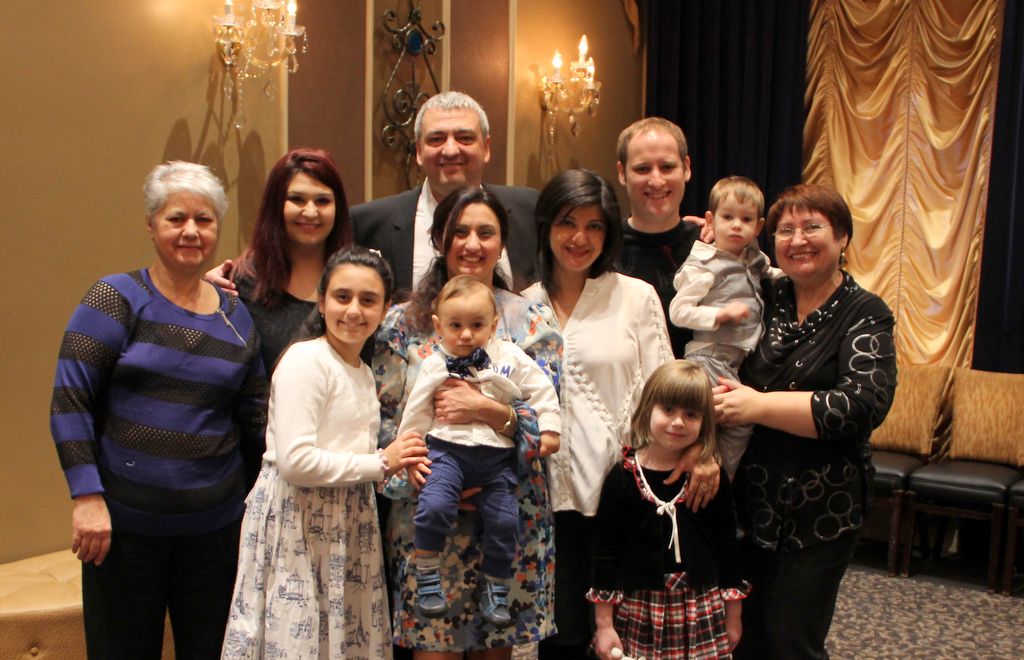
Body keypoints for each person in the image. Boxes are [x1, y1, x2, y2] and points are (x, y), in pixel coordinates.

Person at [49, 161, 267, 658]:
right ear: (151, 226)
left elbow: (256, 420)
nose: (191, 230)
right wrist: (86, 496)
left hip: (216, 537)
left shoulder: (236, 318)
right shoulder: (115, 299)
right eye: (176, 218)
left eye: (204, 219)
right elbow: (69, 401)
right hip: (123, 533)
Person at [373, 186, 562, 658]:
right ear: (439, 239)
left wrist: (487, 410)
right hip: (431, 517)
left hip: (509, 505)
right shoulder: (402, 323)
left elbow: (547, 419)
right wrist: (417, 476)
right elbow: (386, 423)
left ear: (502, 243)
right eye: (459, 231)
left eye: (486, 232)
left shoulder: (532, 321)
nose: (472, 243)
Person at [714, 184, 897, 659]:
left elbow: (860, 405)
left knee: (792, 641)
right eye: (785, 230)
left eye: (813, 227)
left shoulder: (865, 312)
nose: (798, 240)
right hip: (748, 501)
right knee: (742, 639)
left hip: (821, 510)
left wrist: (757, 406)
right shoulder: (766, 293)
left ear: (842, 237)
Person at [222, 247, 429, 659]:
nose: (353, 310)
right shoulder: (307, 360)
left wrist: (397, 463)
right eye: (342, 297)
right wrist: (382, 461)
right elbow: (296, 462)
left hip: (346, 522)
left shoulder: (362, 372)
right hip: (299, 521)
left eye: (368, 300)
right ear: (321, 301)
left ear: (385, 309)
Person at [520, 169, 676, 658]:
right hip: (544, 498)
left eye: (594, 226)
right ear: (546, 225)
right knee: (559, 635)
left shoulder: (635, 296)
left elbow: (666, 388)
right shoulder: (521, 307)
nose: (579, 238)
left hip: (621, 494)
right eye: (567, 222)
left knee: (622, 636)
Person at [399, 275, 561, 627]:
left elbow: (542, 390)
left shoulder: (509, 355)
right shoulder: (434, 364)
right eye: (455, 325)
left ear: (494, 323)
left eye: (476, 325)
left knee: (505, 520)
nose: (466, 335)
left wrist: (549, 428)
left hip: (496, 457)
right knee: (434, 506)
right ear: (439, 326)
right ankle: (427, 574)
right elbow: (416, 413)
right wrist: (409, 457)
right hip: (446, 451)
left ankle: (496, 586)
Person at [589, 360, 748, 660]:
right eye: (668, 410)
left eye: (691, 414)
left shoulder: (710, 478)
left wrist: (733, 616)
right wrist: (604, 624)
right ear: (648, 409)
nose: (678, 422)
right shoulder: (623, 478)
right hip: (641, 608)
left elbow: (727, 546)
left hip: (701, 605)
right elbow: (606, 554)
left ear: (705, 422)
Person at [352, 91, 539, 294]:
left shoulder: (530, 210)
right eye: (436, 139)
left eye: (464, 138)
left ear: (486, 148)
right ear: (418, 151)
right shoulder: (368, 224)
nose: (450, 150)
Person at [669, 176, 781, 479]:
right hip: (708, 357)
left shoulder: (753, 258)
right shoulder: (704, 264)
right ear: (711, 220)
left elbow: (771, 273)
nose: (736, 226)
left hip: (733, 362)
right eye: (727, 217)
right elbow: (678, 311)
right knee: (711, 423)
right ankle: (712, 480)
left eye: (745, 220)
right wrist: (718, 315)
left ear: (758, 227)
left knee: (734, 421)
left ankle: (715, 480)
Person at [208, 148, 352, 372]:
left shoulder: (356, 279)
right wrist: (204, 293)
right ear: (275, 205)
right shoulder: (239, 283)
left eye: (322, 201)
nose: (310, 212)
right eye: (297, 199)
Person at [615, 117, 703, 359]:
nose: (656, 181)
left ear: (686, 168)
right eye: (642, 169)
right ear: (622, 173)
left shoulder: (712, 246)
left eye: (667, 167)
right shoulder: (602, 249)